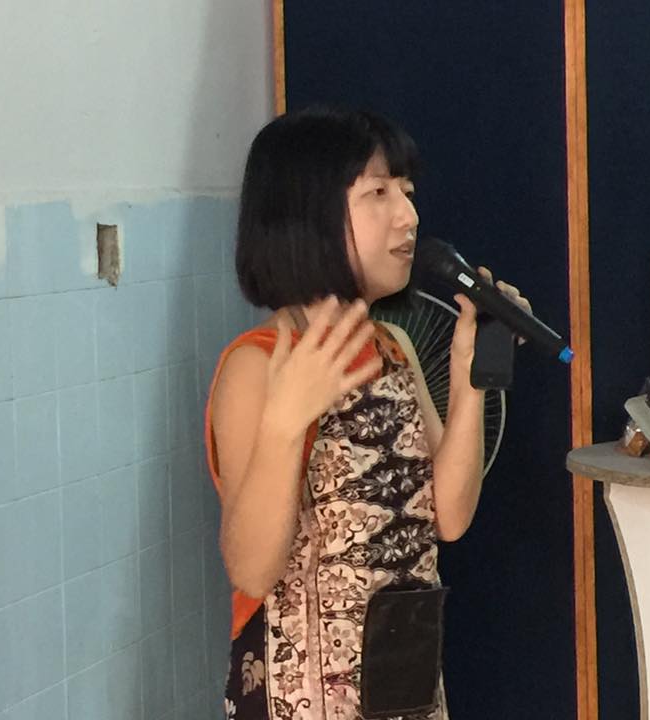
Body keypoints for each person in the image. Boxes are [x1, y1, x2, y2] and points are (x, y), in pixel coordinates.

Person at [205, 107, 530, 720]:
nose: (408, 216)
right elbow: (250, 570)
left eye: (407, 192)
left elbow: (449, 517)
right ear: (308, 216)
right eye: (378, 193)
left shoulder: (393, 346)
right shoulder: (258, 364)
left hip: (405, 683)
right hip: (301, 693)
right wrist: (285, 423)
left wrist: (471, 373)